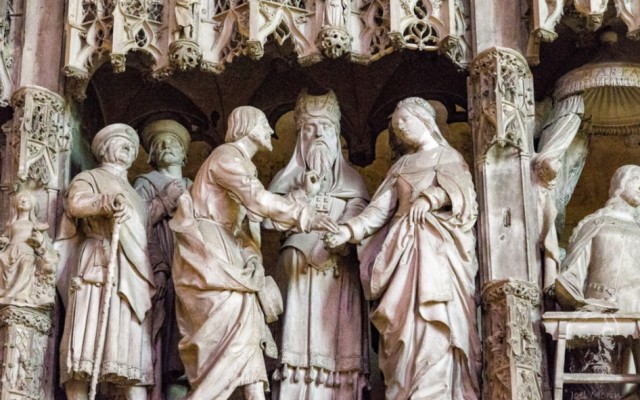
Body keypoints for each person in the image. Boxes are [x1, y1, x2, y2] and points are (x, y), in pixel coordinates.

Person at [169, 106, 338, 400]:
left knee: (248, 342)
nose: (270, 131)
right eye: (263, 124)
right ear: (246, 126)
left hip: (230, 254)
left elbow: (255, 218)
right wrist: (307, 216)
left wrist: (302, 196)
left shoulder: (241, 164)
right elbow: (258, 201)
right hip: (213, 259)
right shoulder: (226, 157)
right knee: (228, 345)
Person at [326, 97, 481, 399]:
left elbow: (465, 196)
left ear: (425, 120)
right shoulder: (401, 166)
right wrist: (348, 230)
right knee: (403, 328)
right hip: (402, 258)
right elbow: (378, 211)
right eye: (396, 127)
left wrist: (432, 198)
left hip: (439, 257)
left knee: (437, 325)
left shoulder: (449, 157)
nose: (401, 129)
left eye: (405, 121)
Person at [267, 89, 370, 399]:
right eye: (310, 129)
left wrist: (343, 235)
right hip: (297, 274)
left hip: (337, 274)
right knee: (295, 344)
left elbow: (363, 219)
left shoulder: (354, 181)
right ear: (300, 138)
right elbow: (267, 221)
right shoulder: (286, 180)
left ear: (337, 134)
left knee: (337, 345)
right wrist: (303, 194)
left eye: (325, 127)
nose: (319, 135)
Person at [57, 123, 155, 400]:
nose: (128, 148)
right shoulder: (90, 177)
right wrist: (105, 203)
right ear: (103, 148)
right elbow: (75, 204)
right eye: (121, 142)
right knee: (84, 347)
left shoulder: (138, 197)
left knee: (129, 354)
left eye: (132, 147)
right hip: (98, 267)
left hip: (132, 273)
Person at [134, 120, 192, 400]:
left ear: (184, 155)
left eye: (173, 143)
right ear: (152, 156)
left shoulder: (194, 185)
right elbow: (136, 222)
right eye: (159, 144)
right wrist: (166, 201)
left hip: (191, 264)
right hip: (161, 262)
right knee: (164, 333)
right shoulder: (145, 183)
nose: (166, 146)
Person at [556, 164, 640, 312]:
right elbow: (573, 273)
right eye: (635, 179)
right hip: (599, 310)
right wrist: (579, 302)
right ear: (621, 183)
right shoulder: (596, 224)